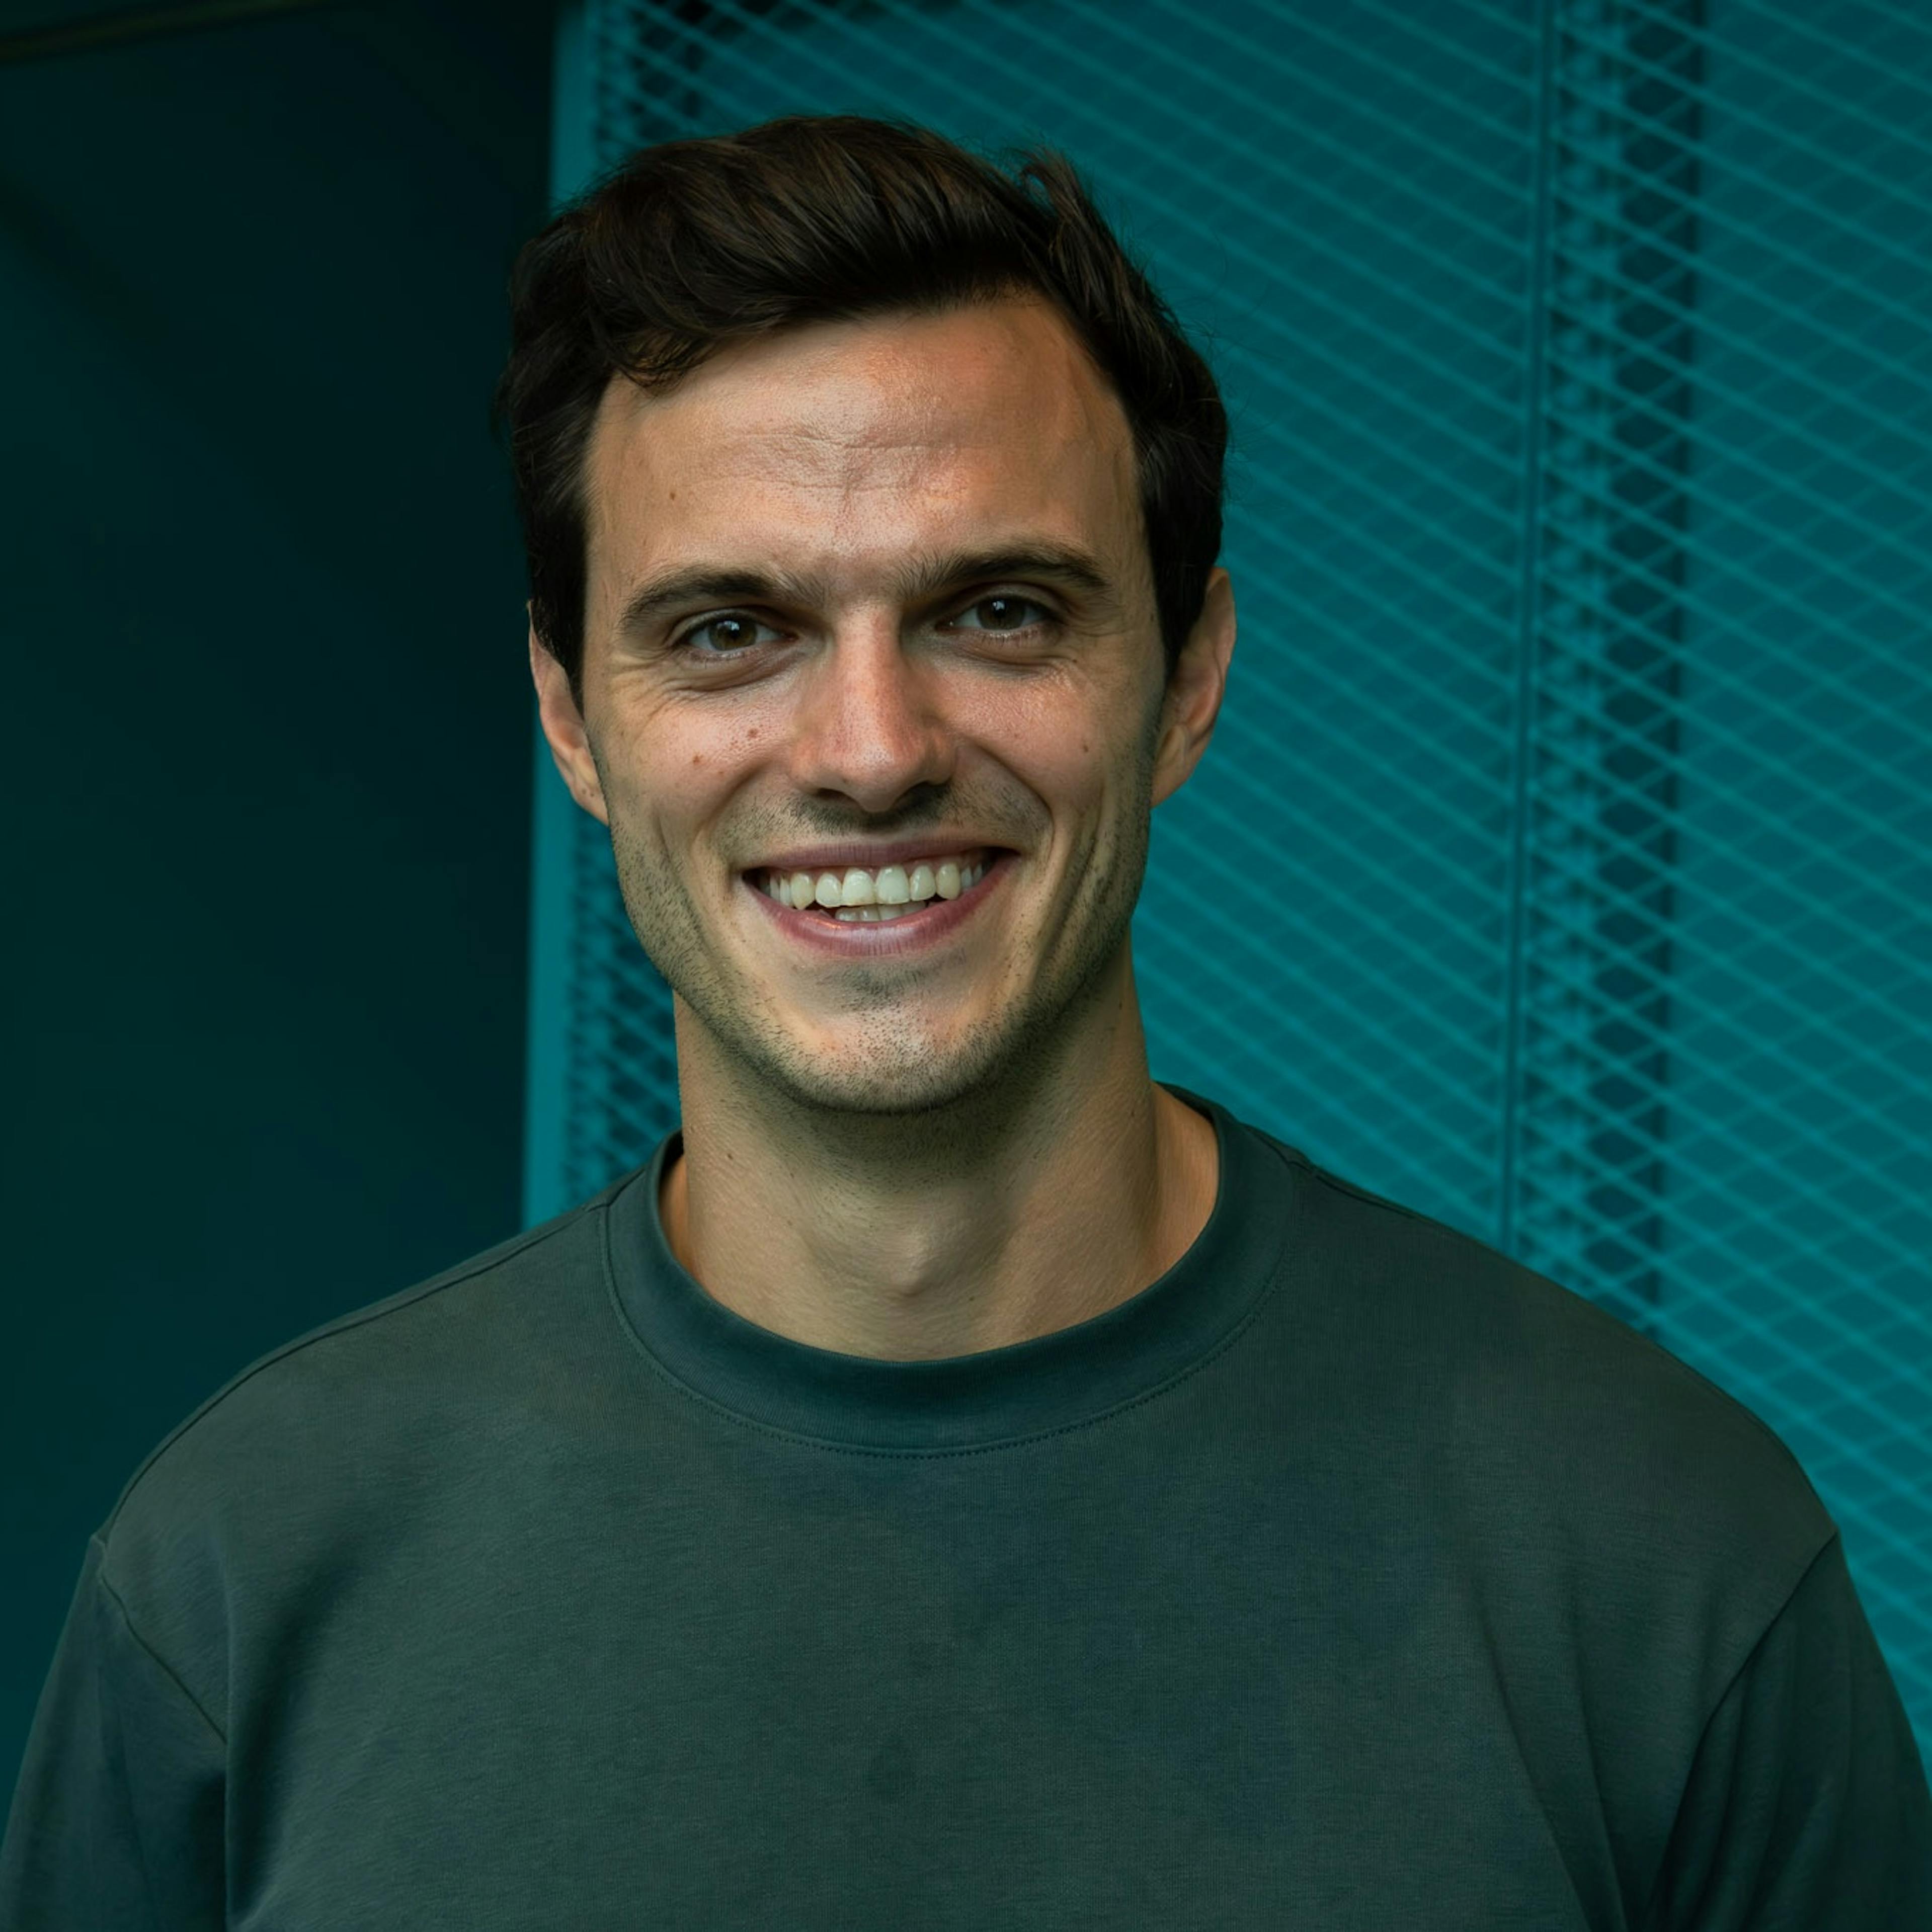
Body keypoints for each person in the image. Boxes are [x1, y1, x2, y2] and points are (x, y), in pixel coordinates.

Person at [3, 113, 1927, 1930]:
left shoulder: (1656, 1564)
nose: (870, 752)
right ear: (573, 718)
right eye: (728, 630)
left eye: (1000, 611)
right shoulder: (245, 1582)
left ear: (1187, 680)